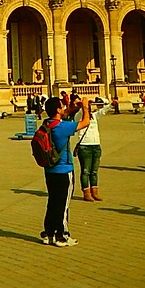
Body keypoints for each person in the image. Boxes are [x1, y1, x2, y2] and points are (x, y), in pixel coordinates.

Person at [40, 95, 90, 246]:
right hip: (64, 170)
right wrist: (86, 107)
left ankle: (49, 233)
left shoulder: (47, 124)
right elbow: (85, 122)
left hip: (50, 170)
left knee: (52, 202)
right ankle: (62, 235)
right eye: (61, 107)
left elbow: (64, 116)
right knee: (64, 204)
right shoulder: (62, 128)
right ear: (57, 110)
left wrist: (74, 107)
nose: (63, 109)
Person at [73, 95, 113, 200]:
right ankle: (86, 192)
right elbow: (83, 111)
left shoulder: (94, 116)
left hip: (96, 146)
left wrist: (111, 105)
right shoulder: (79, 116)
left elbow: (102, 111)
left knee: (94, 171)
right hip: (84, 146)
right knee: (85, 171)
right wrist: (84, 104)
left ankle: (94, 191)